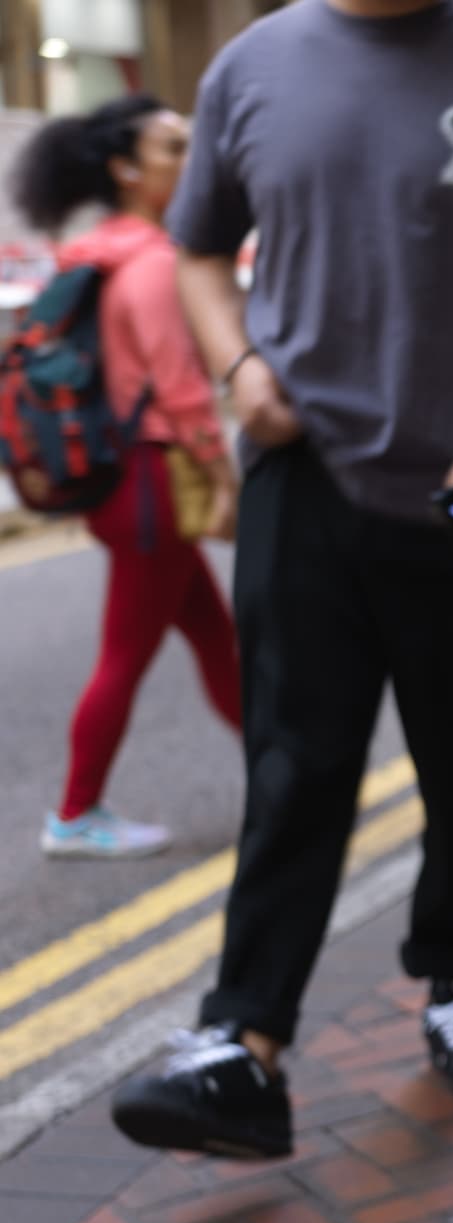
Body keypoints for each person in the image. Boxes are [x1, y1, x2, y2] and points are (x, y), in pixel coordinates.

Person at [107, 0, 453, 1161]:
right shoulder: (251, 67)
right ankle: (245, 1042)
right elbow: (200, 248)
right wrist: (237, 366)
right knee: (294, 759)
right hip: (301, 473)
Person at [16, 97, 241, 862]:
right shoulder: (148, 261)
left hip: (124, 479)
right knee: (127, 652)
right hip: (150, 481)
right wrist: (225, 479)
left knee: (218, 640)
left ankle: (294, 776)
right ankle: (75, 815)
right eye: (173, 147)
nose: (190, 157)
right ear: (126, 169)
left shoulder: (98, 251)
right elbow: (180, 390)